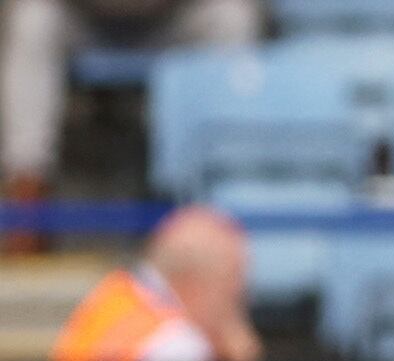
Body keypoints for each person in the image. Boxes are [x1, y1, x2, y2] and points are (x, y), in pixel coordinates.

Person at [1, 0, 261, 250]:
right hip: (84, 20)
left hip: (173, 19)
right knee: (33, 20)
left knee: (229, 16)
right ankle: (26, 212)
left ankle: (221, 211)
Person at [49, 206, 261, 361]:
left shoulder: (114, 293)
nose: (237, 304)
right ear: (195, 284)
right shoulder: (178, 347)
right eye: (232, 286)